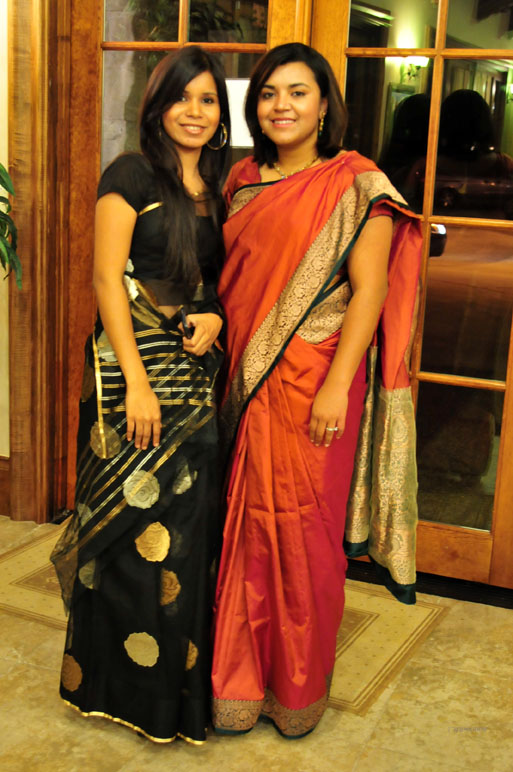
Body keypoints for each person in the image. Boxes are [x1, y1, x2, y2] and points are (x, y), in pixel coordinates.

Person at [211, 43, 422, 739]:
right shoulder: (242, 179)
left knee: (304, 531)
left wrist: (335, 386)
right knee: (244, 526)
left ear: (325, 104)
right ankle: (236, 682)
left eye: (298, 92)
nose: (282, 106)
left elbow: (370, 292)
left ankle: (296, 689)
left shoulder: (358, 184)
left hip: (315, 379)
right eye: (269, 93)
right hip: (244, 374)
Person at [51, 45, 230, 745]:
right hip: (134, 377)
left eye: (208, 99)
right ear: (157, 105)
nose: (195, 111)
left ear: (221, 115)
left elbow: (211, 281)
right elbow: (107, 280)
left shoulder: (217, 185)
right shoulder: (129, 173)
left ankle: (171, 702)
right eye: (182, 97)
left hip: (193, 378)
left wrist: (214, 316)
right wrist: (135, 383)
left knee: (184, 542)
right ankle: (112, 689)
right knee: (125, 539)